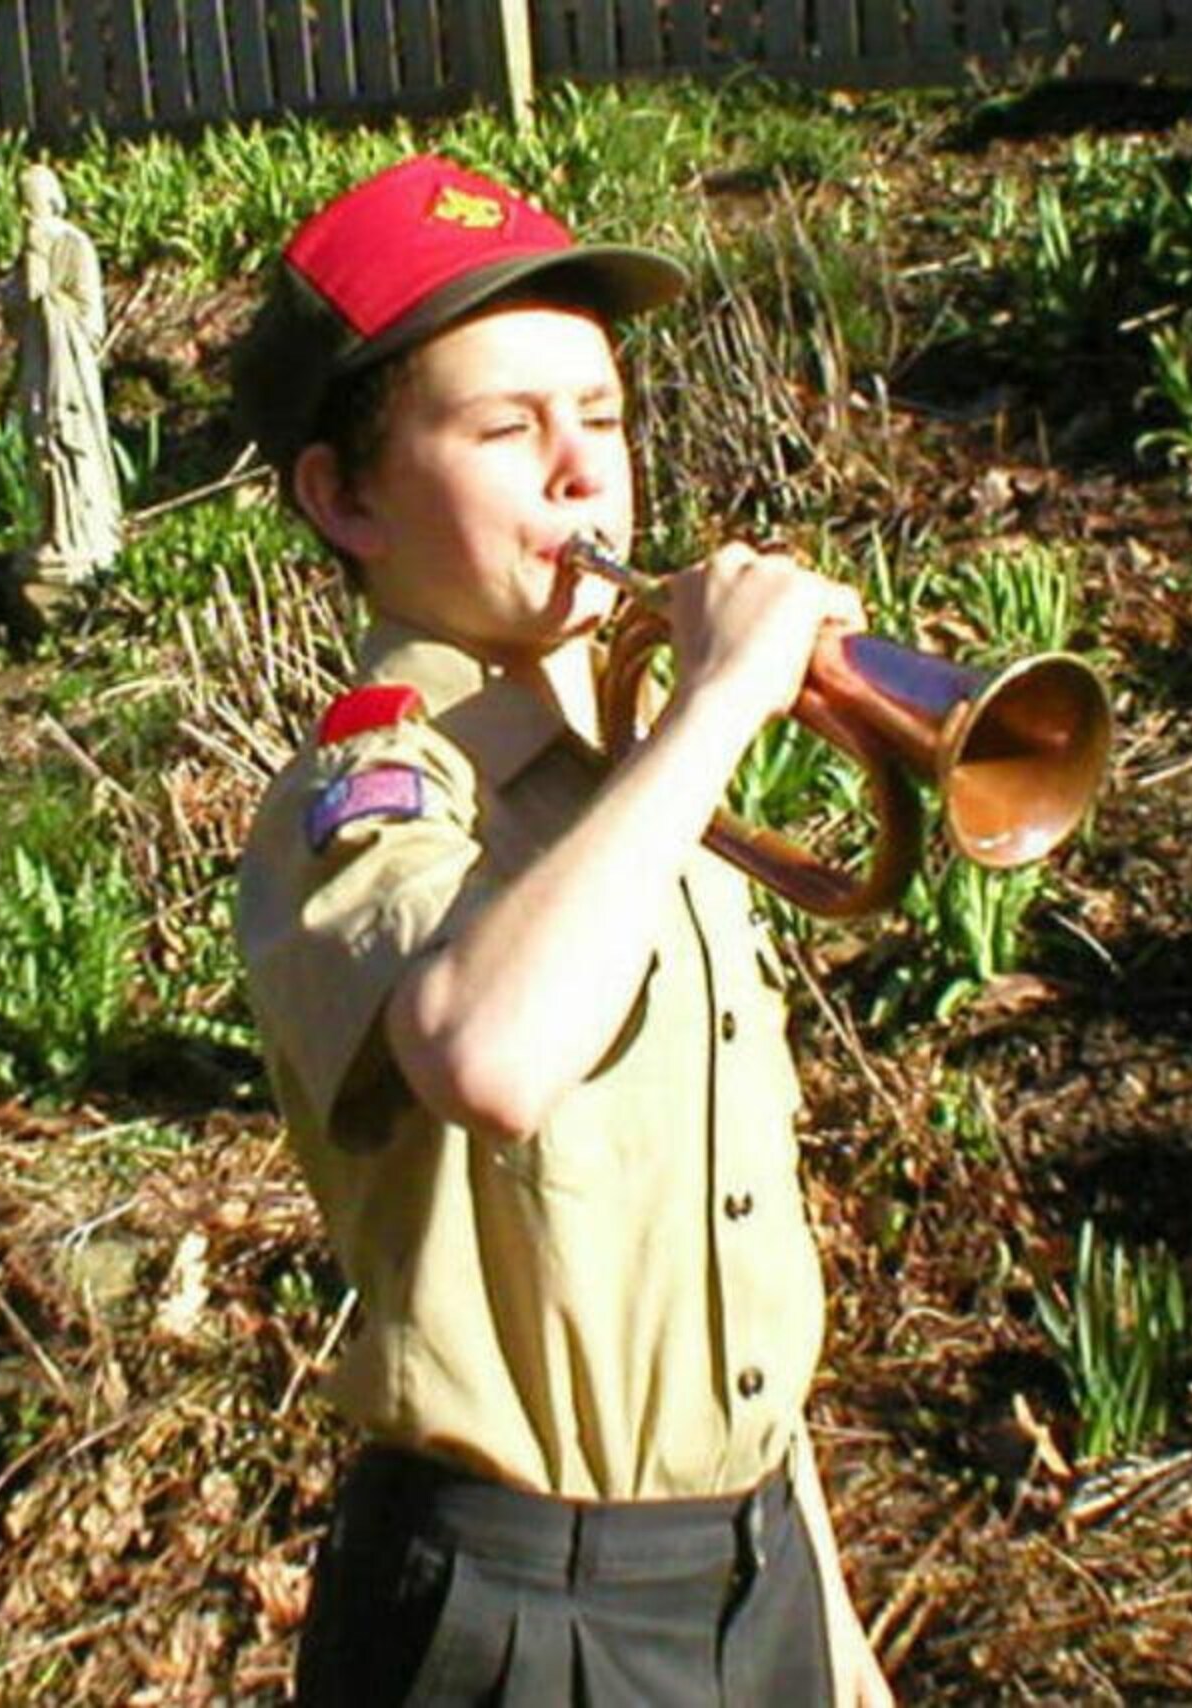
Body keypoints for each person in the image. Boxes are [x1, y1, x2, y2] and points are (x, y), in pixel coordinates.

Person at [232, 154, 891, 1707]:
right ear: (346, 498)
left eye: (600, 420)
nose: (584, 476)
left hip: (755, 1572)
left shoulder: (639, 788)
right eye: (505, 431)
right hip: (520, 1612)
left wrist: (834, 1647)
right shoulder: (373, 791)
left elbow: (714, 1278)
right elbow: (487, 1053)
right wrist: (722, 701)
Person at [5, 163, 122, 583]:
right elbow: (16, 309)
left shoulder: (74, 245)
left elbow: (90, 315)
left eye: (34, 198)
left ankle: (80, 532)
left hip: (67, 364)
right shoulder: (29, 249)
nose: (28, 209)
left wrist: (53, 299)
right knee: (42, 441)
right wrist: (29, 265)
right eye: (23, 200)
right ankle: (52, 530)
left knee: (67, 438)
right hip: (38, 359)